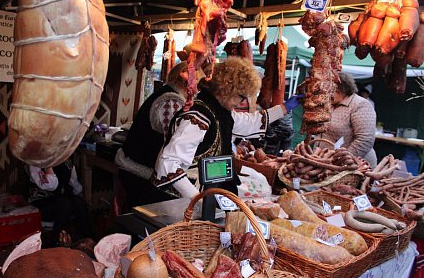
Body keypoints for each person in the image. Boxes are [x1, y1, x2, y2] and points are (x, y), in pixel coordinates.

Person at [153, 56, 302, 199]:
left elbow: (250, 122)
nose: (242, 102)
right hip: (178, 200)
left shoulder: (220, 112)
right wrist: (197, 199)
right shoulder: (198, 117)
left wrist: (284, 108)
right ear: (227, 90)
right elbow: (168, 164)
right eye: (242, 96)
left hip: (207, 193)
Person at [115, 61, 204, 207]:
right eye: (197, 84)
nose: (198, 90)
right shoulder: (171, 101)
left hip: (140, 170)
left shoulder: (170, 96)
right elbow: (173, 143)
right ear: (185, 80)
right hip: (140, 175)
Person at [28, 159, 93, 245]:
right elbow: (50, 185)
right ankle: (55, 242)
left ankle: (88, 239)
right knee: (65, 204)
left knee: (78, 202)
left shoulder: (67, 162)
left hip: (59, 201)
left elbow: (75, 186)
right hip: (40, 203)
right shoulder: (36, 162)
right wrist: (48, 166)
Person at [320, 72, 377, 167]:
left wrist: (343, 160)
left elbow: (365, 139)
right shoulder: (329, 104)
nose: (325, 93)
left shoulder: (360, 104)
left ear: (340, 89)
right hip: (328, 162)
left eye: (328, 90)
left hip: (354, 166)